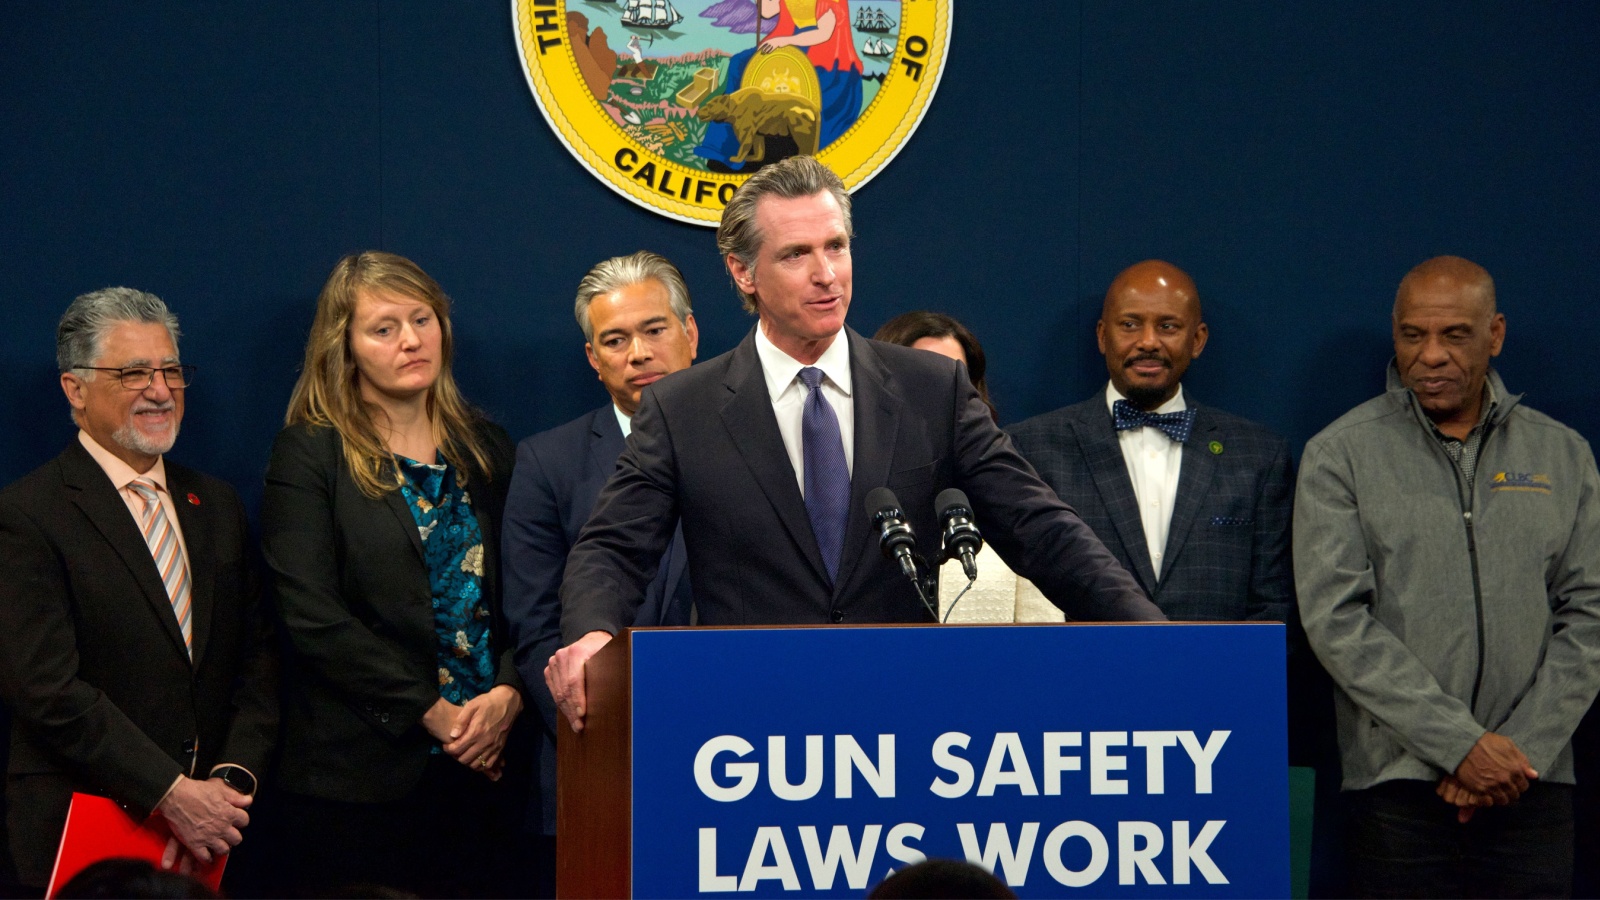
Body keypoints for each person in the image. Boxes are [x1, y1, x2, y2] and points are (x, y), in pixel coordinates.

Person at [547, 155, 1164, 732]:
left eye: (836, 247)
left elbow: (1041, 528)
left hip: (901, 718)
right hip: (747, 723)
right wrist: (591, 636)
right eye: (796, 255)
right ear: (743, 271)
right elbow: (613, 549)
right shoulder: (684, 409)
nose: (826, 275)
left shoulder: (932, 391)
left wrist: (1161, 639)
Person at [1295, 255, 1600, 897]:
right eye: (1413, 335)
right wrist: (1461, 746)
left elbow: (1591, 616)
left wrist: (1515, 752)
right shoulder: (1340, 454)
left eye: (1454, 335)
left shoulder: (1564, 454)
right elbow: (1338, 622)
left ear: (1495, 335)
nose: (1430, 356)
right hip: (1397, 789)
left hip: (1532, 782)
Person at [261, 252, 525, 896]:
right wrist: (432, 714)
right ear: (344, 348)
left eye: (422, 319)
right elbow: (311, 616)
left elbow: (527, 595)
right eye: (384, 328)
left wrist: (510, 695)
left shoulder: (486, 448)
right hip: (360, 780)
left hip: (485, 769)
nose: (411, 340)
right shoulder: (311, 452)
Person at [0, 288, 277, 889]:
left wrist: (226, 787)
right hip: (85, 830)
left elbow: (257, 662)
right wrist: (170, 794)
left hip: (218, 835)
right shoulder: (27, 514)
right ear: (74, 389)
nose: (160, 390)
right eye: (133, 373)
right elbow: (45, 687)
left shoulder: (218, 505)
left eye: (171, 370)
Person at [500, 250, 699, 890]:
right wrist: (609, 726)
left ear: (690, 334)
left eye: (654, 330)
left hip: (734, 755)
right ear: (594, 359)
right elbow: (534, 629)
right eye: (615, 339)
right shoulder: (546, 463)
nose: (637, 352)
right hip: (595, 760)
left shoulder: (762, 445)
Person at [1008, 260, 1295, 624]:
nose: (1147, 342)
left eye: (1168, 326)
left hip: (1216, 678)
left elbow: (1274, 612)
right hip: (1081, 676)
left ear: (1198, 339)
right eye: (1129, 325)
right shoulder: (1032, 449)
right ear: (1102, 336)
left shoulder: (1259, 456)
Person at [873, 311, 1058, 623]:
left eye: (953, 381)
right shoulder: (850, 496)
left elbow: (1043, 639)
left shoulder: (1009, 503)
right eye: (923, 379)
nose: (939, 397)